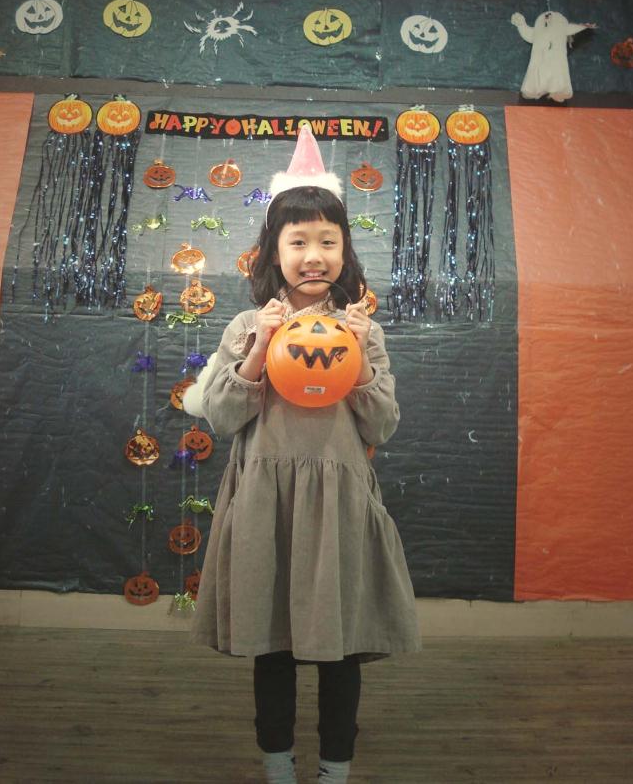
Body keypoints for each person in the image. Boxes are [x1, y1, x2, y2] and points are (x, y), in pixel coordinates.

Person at [189, 125, 420, 783]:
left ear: (344, 251)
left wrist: (361, 357)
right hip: (267, 503)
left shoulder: (362, 330)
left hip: (339, 503)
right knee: (274, 648)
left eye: (327, 241)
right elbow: (223, 416)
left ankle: (335, 767)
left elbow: (383, 424)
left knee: (339, 648)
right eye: (298, 242)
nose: (313, 256)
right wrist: (260, 349)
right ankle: (278, 762)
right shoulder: (246, 326)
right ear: (274, 251)